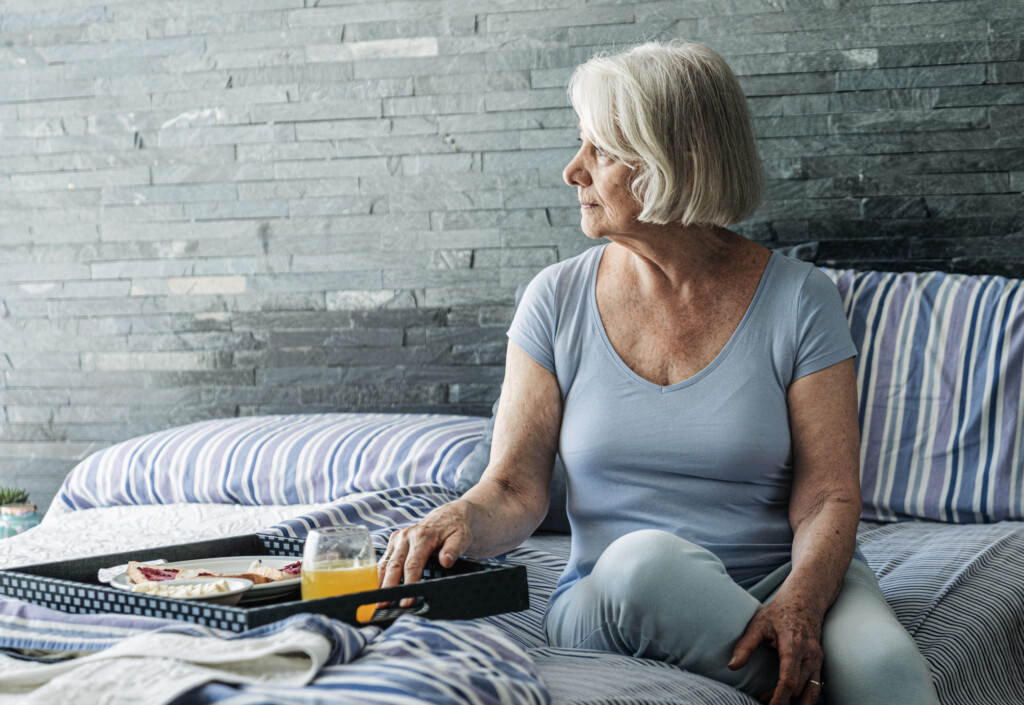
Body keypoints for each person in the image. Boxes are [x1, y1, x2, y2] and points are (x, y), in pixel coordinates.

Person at [378, 41, 939, 705]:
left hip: (790, 577)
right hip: (613, 587)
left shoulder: (799, 298)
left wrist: (801, 602)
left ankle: (791, 665)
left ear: (678, 163)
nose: (572, 171)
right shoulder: (554, 300)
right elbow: (512, 487)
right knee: (647, 563)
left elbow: (829, 495)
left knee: (887, 674)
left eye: (602, 151)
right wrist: (460, 518)